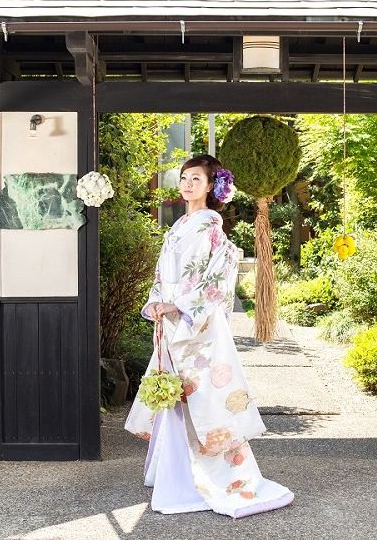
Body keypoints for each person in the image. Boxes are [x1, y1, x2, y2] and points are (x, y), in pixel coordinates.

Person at [125, 154, 294, 518]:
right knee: (175, 396)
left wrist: (178, 305)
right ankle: (178, 473)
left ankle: (216, 476)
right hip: (174, 320)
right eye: (185, 178)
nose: (187, 184)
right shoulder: (181, 224)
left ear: (211, 186)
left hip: (196, 326)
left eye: (196, 179)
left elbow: (217, 277)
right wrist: (157, 302)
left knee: (204, 399)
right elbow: (163, 273)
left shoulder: (209, 223)